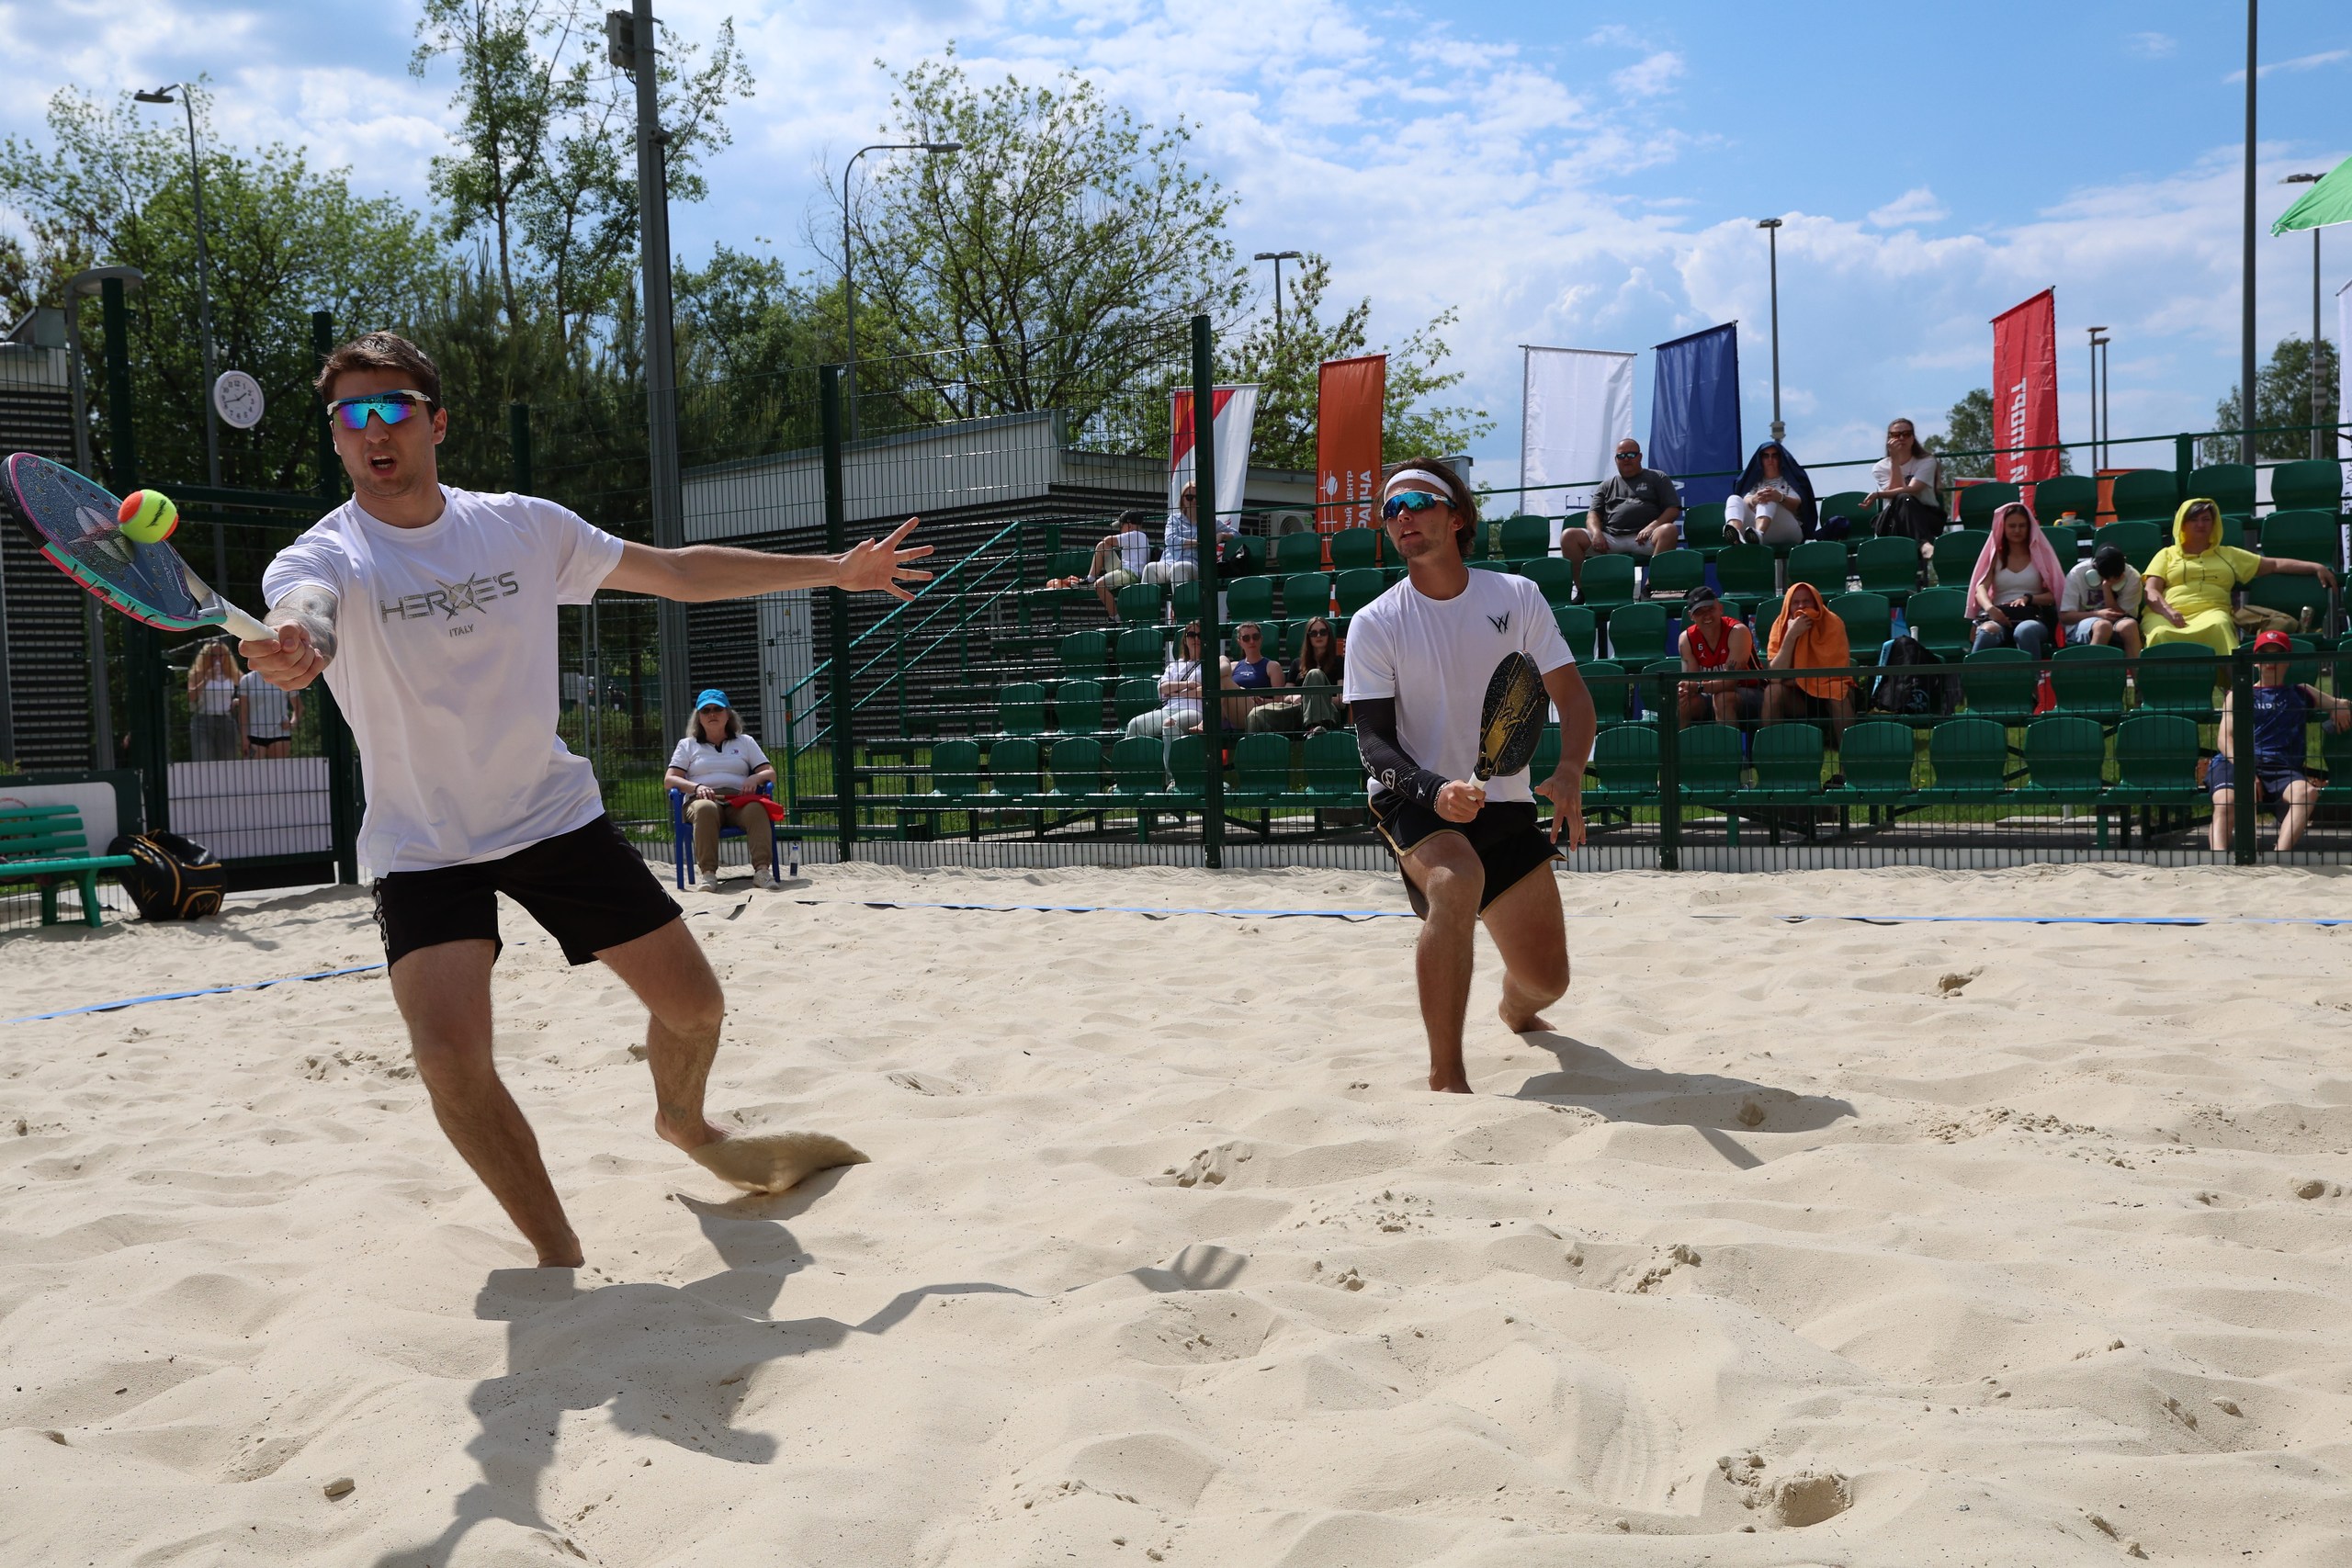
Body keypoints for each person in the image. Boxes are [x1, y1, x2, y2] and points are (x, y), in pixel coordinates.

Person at [239, 331, 932, 1267]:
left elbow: (677, 573)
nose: (374, 429)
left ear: (437, 423)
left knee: (696, 1011)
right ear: (335, 436)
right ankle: (557, 1252)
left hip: (549, 816)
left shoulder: (523, 528)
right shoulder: (324, 554)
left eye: (393, 406)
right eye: (350, 414)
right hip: (424, 843)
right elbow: (307, 609)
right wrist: (299, 641)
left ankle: (684, 1123)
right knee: (448, 1061)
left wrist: (836, 571)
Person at [1343, 458, 1596, 1094]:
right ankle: (1447, 1077)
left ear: (1457, 517)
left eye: (1418, 503)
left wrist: (1570, 770)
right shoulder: (1375, 621)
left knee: (1548, 981)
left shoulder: (1516, 596)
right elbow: (1372, 744)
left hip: (1502, 800)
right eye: (1391, 510)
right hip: (1414, 797)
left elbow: (1573, 699)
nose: (1402, 517)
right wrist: (1434, 790)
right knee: (1456, 883)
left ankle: (1515, 1011)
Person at [2208, 628, 2352, 852]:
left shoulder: (2301, 691)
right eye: (2265, 655)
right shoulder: (2239, 694)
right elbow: (2224, 739)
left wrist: (2340, 706)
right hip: (2236, 761)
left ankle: (2279, 857)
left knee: (2307, 794)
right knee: (2226, 800)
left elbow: (2340, 703)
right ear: (2256, 662)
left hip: (2280, 766)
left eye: (2278, 654)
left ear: (2288, 660)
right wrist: (2247, 769)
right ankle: (2219, 860)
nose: (2270, 661)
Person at [2143, 497, 2337, 661]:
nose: (2200, 524)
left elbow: (2274, 564)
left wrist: (2315, 567)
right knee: (2159, 633)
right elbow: (2151, 590)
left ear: (2214, 524)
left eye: (2206, 519)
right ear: (2182, 524)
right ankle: (2155, 688)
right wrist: (2169, 611)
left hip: (2211, 612)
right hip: (2168, 614)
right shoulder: (2166, 554)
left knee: (2220, 625)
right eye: (2194, 519)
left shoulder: (2229, 554)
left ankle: (2235, 690)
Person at [663, 690, 778, 893]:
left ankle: (762, 871)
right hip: (701, 799)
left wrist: (755, 778)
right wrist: (696, 787)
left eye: (717, 709)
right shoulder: (687, 745)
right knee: (705, 809)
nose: (712, 714)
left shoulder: (745, 742)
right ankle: (708, 874)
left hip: (738, 800)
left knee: (757, 808)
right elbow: (669, 779)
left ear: (728, 714)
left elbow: (770, 773)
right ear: (699, 717)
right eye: (706, 710)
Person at [1562, 439, 1681, 581]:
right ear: (1616, 459)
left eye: (1631, 455)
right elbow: (1592, 515)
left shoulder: (1658, 477)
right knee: (1569, 536)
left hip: (1646, 539)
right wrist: (1596, 534)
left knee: (1669, 530)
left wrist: (1652, 527)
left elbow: (1673, 509)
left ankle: (1652, 585)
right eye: (1621, 456)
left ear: (1640, 457)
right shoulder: (1606, 486)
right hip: (1611, 539)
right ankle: (1583, 589)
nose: (1626, 459)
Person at [1965, 501, 2065, 657]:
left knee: (2025, 631)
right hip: (2000, 616)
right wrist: (1991, 609)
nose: (2017, 530)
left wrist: (2029, 598)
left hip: (2032, 617)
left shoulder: (2039, 556)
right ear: (2003, 528)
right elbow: (1981, 588)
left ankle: (2033, 672)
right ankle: (1973, 672)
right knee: (1987, 632)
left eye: (2022, 525)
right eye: (2012, 526)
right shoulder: (1996, 557)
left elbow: (2054, 595)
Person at [1762, 581, 1854, 734]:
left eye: (1806, 601)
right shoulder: (1779, 625)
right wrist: (1791, 636)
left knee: (1836, 692)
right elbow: (1775, 676)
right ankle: (1772, 748)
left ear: (1816, 603)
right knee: (1772, 692)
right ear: (1788, 606)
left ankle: (1850, 749)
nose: (1801, 607)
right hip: (1797, 697)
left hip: (1828, 690)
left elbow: (1835, 674)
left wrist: (1799, 680)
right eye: (1795, 602)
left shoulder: (1833, 623)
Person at [1675, 586, 1762, 725]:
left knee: (1723, 699)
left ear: (1720, 609)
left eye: (1711, 609)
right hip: (1710, 694)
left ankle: (1728, 740)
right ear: (1691, 616)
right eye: (1700, 612)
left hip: (1753, 692)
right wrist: (1685, 691)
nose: (1707, 616)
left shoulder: (1737, 631)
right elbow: (1691, 681)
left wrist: (1697, 687)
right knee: (1684, 703)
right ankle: (1681, 739)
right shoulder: (1686, 639)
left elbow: (1730, 682)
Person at [1246, 615, 1346, 734]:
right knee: (1256, 714)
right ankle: (1253, 745)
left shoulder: (1339, 662)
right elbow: (1285, 697)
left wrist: (1313, 699)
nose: (1318, 636)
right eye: (1313, 633)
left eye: (1323, 632)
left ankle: (1315, 729)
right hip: (1299, 711)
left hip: (1328, 713)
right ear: (1308, 637)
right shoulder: (1297, 663)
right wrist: (1294, 697)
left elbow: (1342, 701)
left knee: (1314, 674)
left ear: (1329, 635)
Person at [1863, 418, 1944, 548]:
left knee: (1905, 497)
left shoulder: (1927, 461)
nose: (1901, 438)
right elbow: (1895, 494)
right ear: (1889, 439)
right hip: (1893, 520)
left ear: (1913, 438)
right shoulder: (1880, 467)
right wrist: (1895, 460)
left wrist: (1878, 495)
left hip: (1926, 516)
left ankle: (1922, 544)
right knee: (1902, 498)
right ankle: (1923, 545)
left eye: (1906, 434)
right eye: (1896, 435)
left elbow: (1914, 489)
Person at [1722, 441, 1817, 547]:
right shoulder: (1755, 482)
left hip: (1788, 530)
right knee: (1734, 498)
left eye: (1775, 456)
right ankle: (1735, 533)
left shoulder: (1790, 479)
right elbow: (1746, 500)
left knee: (1769, 498)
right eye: (1766, 456)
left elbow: (1797, 504)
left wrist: (1780, 497)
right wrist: (1754, 499)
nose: (1770, 460)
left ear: (1781, 458)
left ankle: (1759, 534)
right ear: (1760, 459)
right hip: (1756, 532)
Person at [1125, 623, 1206, 741]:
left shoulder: (1208, 664)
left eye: (1200, 635)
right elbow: (1162, 688)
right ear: (1185, 640)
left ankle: (1170, 755)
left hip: (1194, 710)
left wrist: (1175, 692)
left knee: (1170, 724)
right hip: (1169, 709)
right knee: (1135, 724)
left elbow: (1205, 690)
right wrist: (1188, 684)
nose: (1196, 639)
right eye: (1191, 635)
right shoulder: (1174, 665)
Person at [1143, 483, 1236, 586]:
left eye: (1198, 498)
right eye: (1190, 497)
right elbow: (1170, 540)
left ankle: (1180, 598)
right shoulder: (1174, 518)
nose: (1194, 501)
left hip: (1195, 566)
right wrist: (1200, 542)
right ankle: (1145, 597)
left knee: (1179, 568)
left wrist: (1222, 535)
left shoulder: (1210, 521)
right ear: (1183, 500)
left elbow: (1237, 534)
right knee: (1150, 568)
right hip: (1168, 562)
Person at [2060, 543, 2144, 653]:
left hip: (2117, 622)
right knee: (2103, 626)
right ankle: (2094, 664)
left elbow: (2122, 615)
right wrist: (2097, 614)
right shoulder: (2077, 573)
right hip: (2082, 624)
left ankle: (2136, 665)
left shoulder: (2132, 576)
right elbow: (2065, 617)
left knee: (2130, 626)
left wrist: (2107, 588)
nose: (2111, 579)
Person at [1218, 621, 1286, 727]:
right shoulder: (1234, 666)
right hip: (1233, 714)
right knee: (1222, 680)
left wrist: (1257, 699)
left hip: (1258, 713)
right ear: (1240, 642)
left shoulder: (1272, 666)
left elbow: (1279, 701)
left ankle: (1206, 724)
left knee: (1225, 681)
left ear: (1261, 639)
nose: (1251, 641)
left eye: (1255, 637)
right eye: (1246, 638)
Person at [1089, 510, 1152, 618]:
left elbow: (1108, 540)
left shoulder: (1136, 535)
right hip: (1124, 570)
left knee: (1099, 585)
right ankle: (1090, 578)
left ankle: (1116, 618)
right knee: (1102, 546)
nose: (1120, 530)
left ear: (1129, 525)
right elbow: (1106, 543)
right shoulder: (1140, 536)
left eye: (1121, 526)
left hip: (1131, 574)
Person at [187, 639, 241, 761]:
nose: (217, 659)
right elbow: (190, 697)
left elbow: (247, 688)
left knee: (228, 761)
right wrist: (206, 679)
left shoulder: (232, 673)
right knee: (203, 760)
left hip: (226, 720)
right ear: (205, 657)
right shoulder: (197, 674)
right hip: (203, 721)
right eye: (213, 656)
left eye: (221, 655)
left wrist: (237, 700)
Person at [235, 659, 301, 758]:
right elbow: (243, 712)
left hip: (280, 735)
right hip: (254, 736)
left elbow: (299, 707)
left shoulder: (286, 677)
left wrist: (292, 723)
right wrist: (244, 737)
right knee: (252, 768)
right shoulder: (247, 680)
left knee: (280, 768)